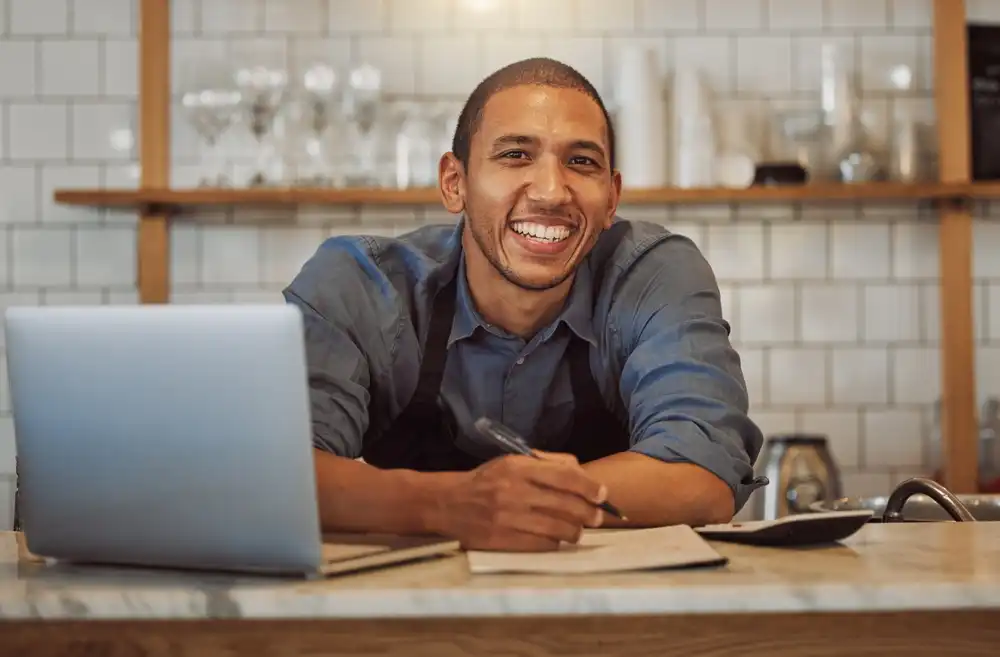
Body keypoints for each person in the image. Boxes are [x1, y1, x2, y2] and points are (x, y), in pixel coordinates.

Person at [283, 57, 765, 552]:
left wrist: (517, 502)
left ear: (611, 197)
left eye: (581, 162)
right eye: (515, 155)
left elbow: (702, 471)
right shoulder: (361, 284)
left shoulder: (652, 273)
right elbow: (278, 472)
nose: (551, 192)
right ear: (454, 183)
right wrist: (449, 504)